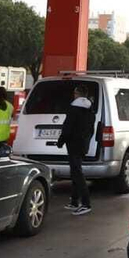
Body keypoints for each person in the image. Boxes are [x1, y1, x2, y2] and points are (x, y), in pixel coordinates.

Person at [56, 86, 96, 215]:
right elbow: (91, 130)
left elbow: (67, 127)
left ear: (78, 94)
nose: (73, 95)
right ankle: (74, 200)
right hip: (83, 144)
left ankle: (86, 203)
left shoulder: (73, 109)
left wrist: (60, 141)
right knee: (75, 171)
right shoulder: (90, 110)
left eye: (75, 93)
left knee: (77, 173)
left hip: (73, 145)